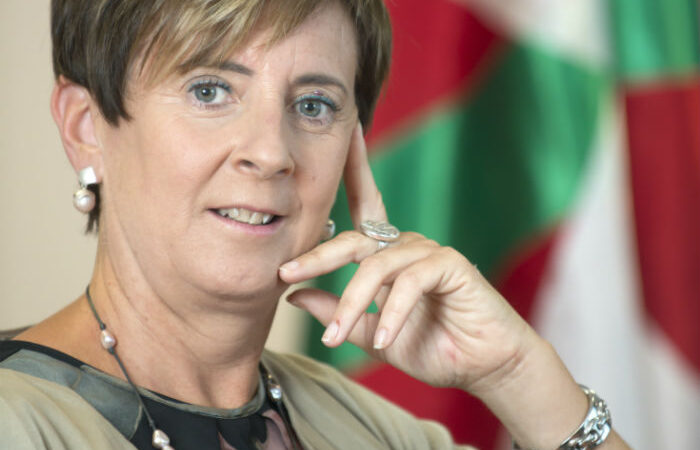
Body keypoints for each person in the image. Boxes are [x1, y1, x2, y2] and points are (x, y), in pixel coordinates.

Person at [0, 0, 631, 449]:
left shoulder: (372, 430)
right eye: (209, 90)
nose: (271, 152)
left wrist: (513, 374)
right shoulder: (17, 421)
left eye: (313, 105)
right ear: (86, 127)